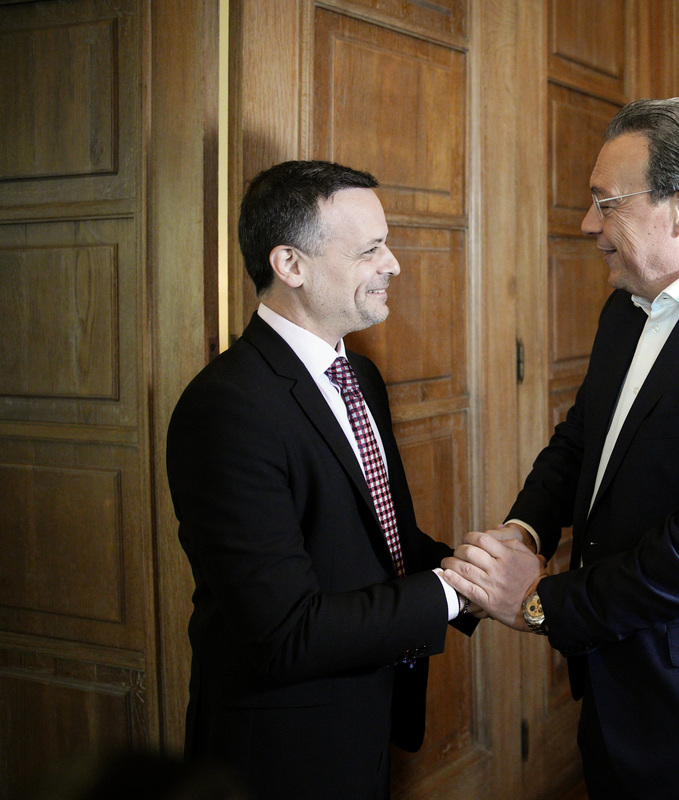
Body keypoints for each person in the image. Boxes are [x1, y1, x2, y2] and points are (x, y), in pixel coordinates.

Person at [442, 98, 679, 800]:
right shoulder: (626, 309)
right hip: (618, 682)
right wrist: (523, 530)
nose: (588, 224)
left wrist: (537, 602)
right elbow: (580, 441)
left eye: (606, 203)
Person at [166, 160, 476, 800]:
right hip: (282, 750)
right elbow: (285, 631)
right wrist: (454, 594)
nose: (393, 265)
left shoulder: (360, 377)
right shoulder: (226, 407)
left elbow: (379, 539)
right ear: (291, 265)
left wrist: (479, 570)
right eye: (369, 250)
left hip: (365, 717)